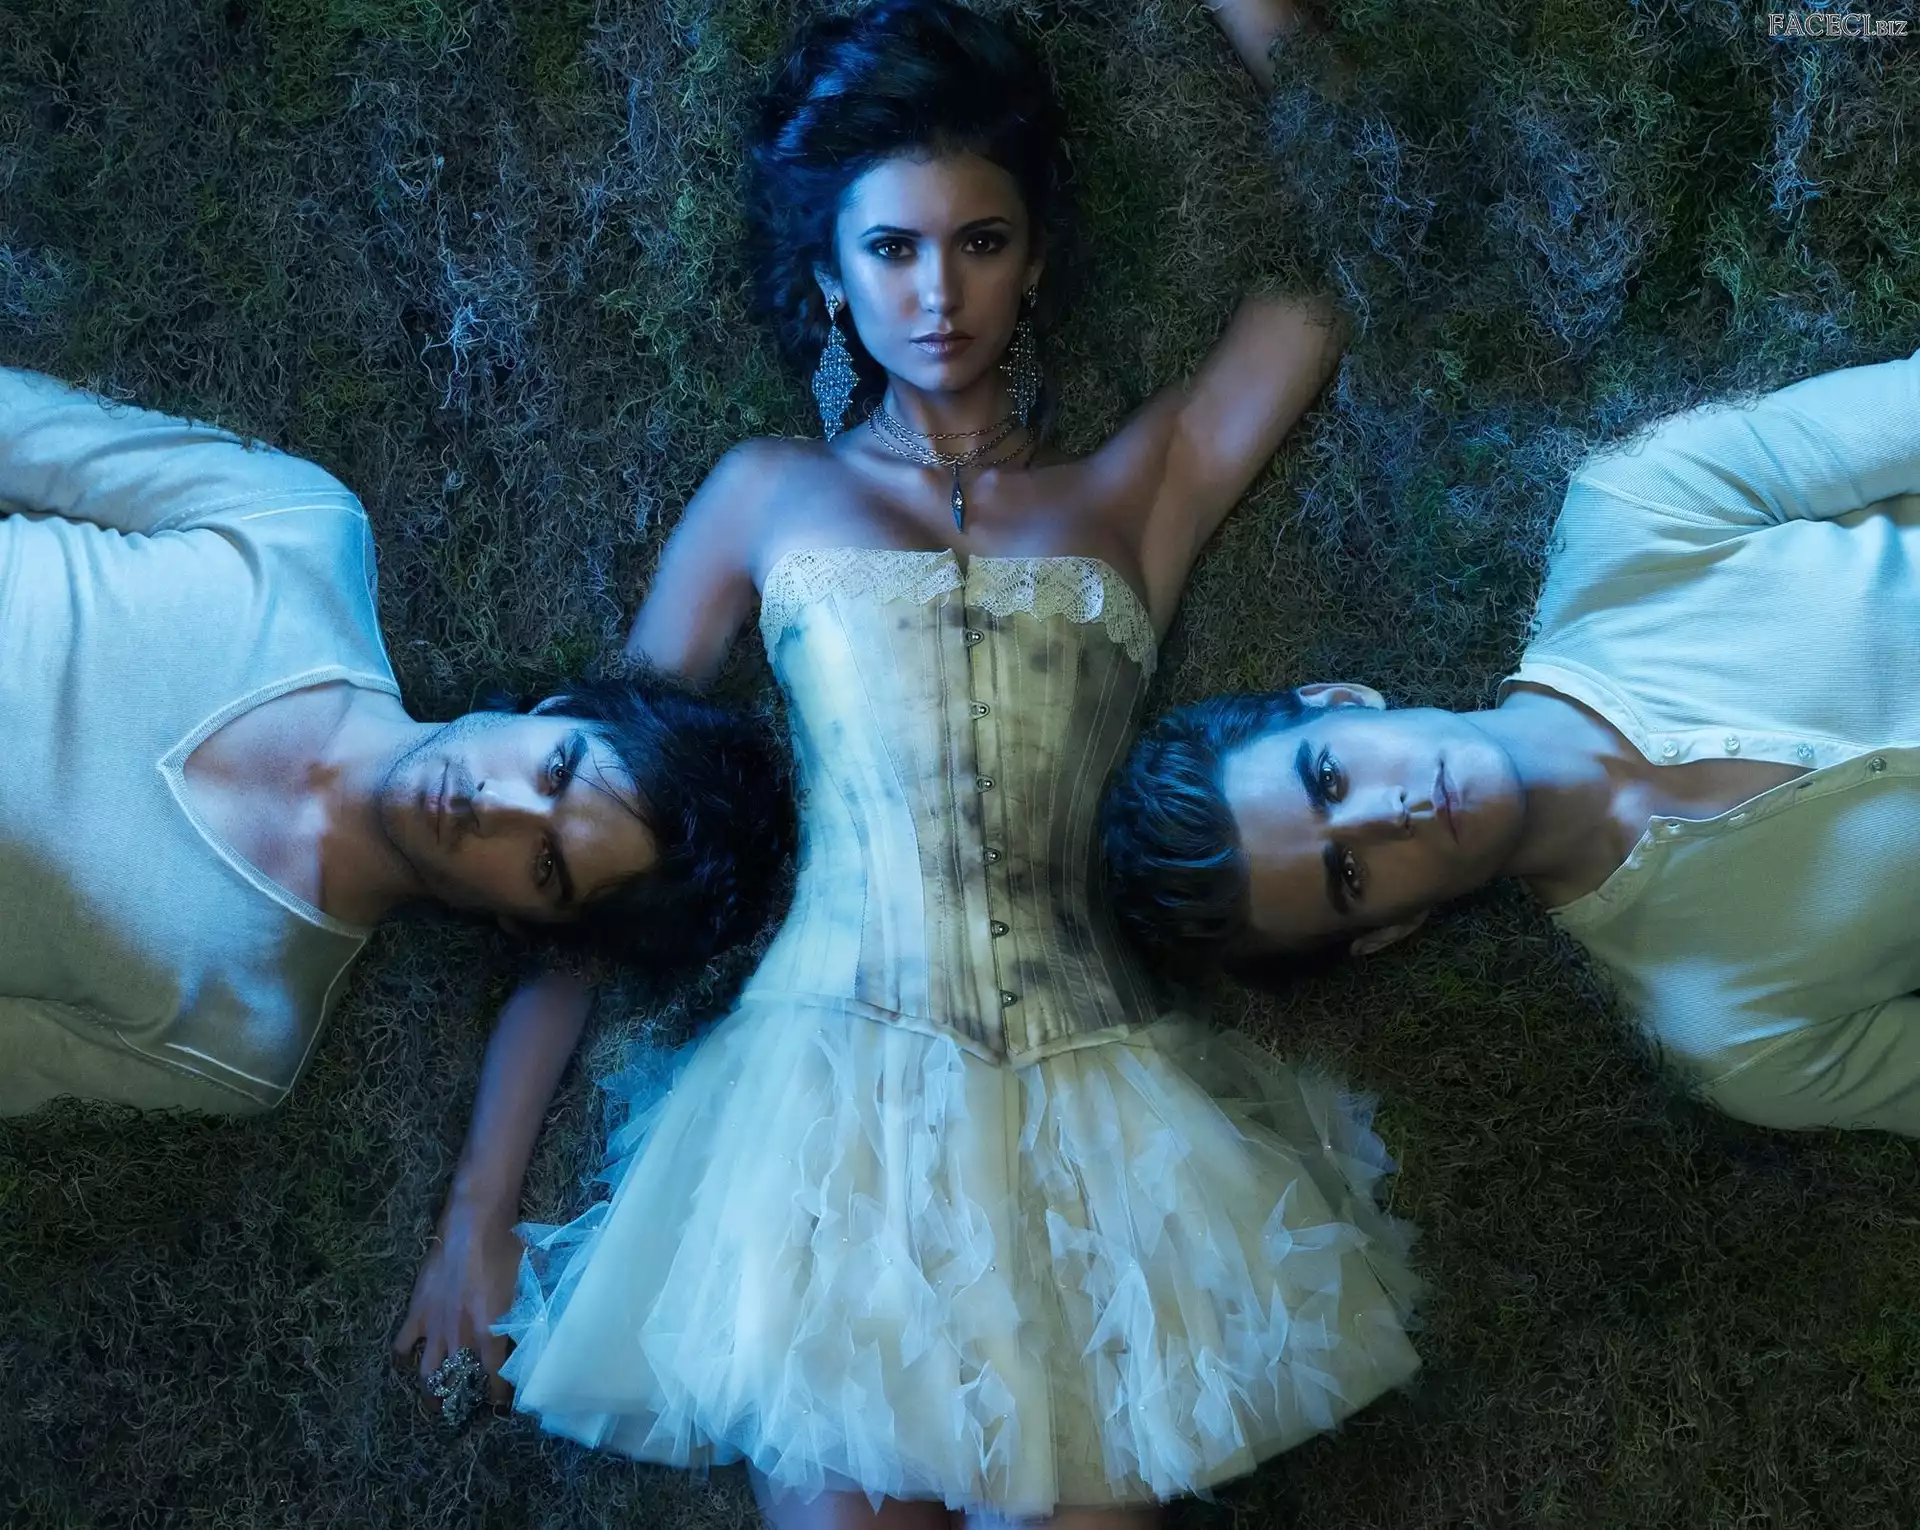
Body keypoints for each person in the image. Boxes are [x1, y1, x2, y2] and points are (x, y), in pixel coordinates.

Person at [400, 1, 1424, 1523]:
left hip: (1102, 1123)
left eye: (981, 242)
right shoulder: (764, 497)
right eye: (891, 250)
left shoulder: (1136, 488)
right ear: (829, 275)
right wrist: (480, 1211)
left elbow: (1363, 235)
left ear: (1036, 259)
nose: (938, 294)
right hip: (824, 1119)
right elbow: (602, 859)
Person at [1103, 347, 1920, 1136]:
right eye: (1347, 873)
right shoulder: (1731, 1037)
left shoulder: (1634, 512)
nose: (1390, 815)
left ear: (1342, 702)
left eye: (1329, 778)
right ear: (1390, 929)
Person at [0, 367, 789, 1119]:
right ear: (558, 707)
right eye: (556, 769)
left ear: (524, 924)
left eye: (546, 865)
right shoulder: (299, 530)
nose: (496, 805)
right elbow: (21, 429)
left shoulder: (242, 1034)